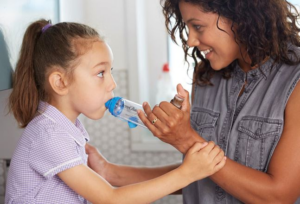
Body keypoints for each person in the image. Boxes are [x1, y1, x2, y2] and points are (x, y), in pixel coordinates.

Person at [86, 0, 300, 203]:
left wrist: (185, 139)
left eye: (197, 26)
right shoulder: (206, 76)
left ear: (240, 16)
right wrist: (109, 172)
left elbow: (278, 197)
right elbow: (199, 175)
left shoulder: (295, 80)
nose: (190, 41)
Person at [4, 19, 226, 204]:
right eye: (101, 73)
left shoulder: (64, 129)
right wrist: (186, 174)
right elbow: (110, 198)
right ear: (60, 82)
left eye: (110, 71)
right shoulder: (49, 135)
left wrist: (190, 171)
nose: (112, 84)